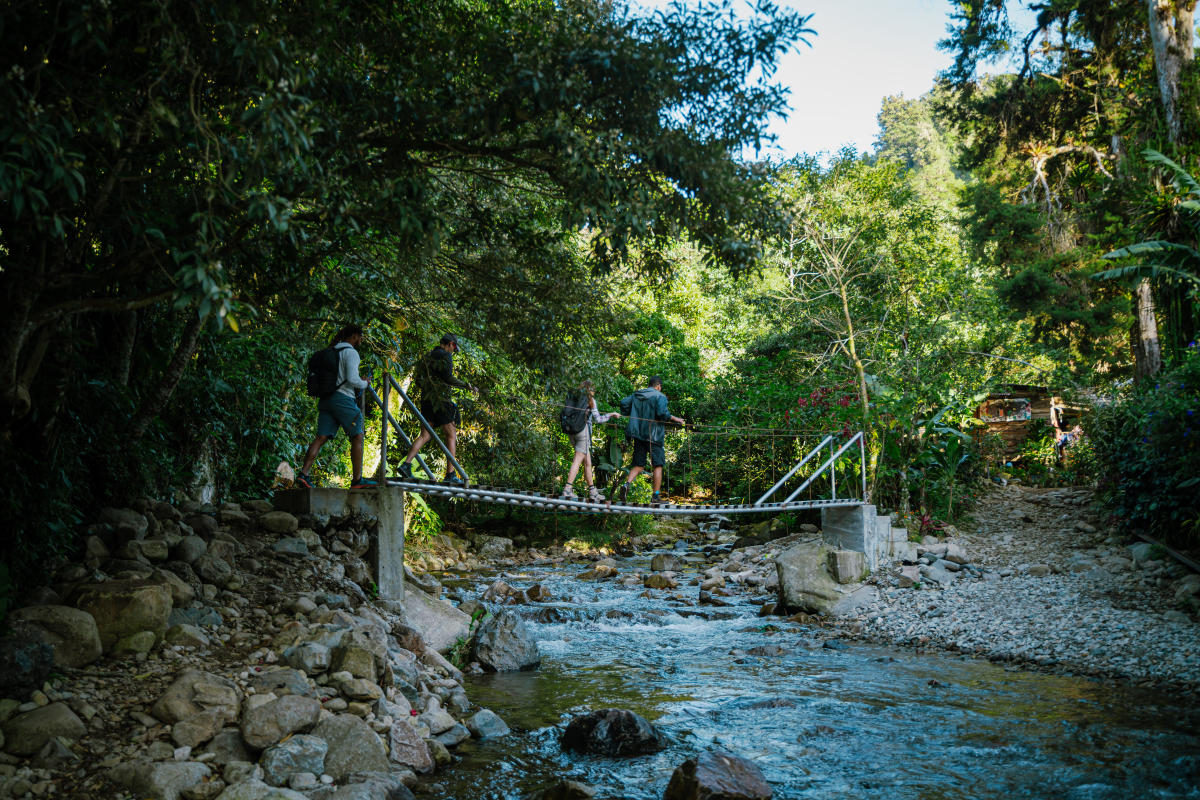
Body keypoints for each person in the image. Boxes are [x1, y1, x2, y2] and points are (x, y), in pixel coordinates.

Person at [297, 324, 376, 489]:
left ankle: (304, 474)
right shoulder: (351, 353)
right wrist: (365, 383)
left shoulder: (333, 350)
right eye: (360, 337)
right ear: (354, 336)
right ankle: (357, 480)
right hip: (343, 399)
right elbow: (353, 380)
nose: (361, 340)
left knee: (321, 437)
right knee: (358, 435)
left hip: (327, 399)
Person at [397, 333, 477, 485]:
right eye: (454, 347)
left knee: (425, 434)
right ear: (451, 344)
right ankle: (450, 474)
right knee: (451, 435)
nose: (453, 351)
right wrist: (466, 385)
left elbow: (419, 377)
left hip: (426, 399)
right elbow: (448, 378)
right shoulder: (446, 356)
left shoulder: (428, 356)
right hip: (440, 400)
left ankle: (406, 464)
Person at [616, 376, 684, 505]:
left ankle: (626, 485)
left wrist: (631, 414)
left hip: (639, 434)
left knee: (639, 465)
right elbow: (662, 414)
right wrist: (675, 419)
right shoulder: (660, 396)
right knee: (658, 464)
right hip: (655, 436)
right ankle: (655, 497)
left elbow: (624, 403)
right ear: (658, 386)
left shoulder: (638, 394)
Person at [560, 379, 620, 502]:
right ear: (590, 389)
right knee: (577, 460)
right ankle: (567, 489)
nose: (594, 391)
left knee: (587, 463)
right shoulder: (590, 400)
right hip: (583, 432)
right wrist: (611, 414)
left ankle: (593, 491)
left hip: (571, 432)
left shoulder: (574, 397)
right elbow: (598, 419)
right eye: (593, 389)